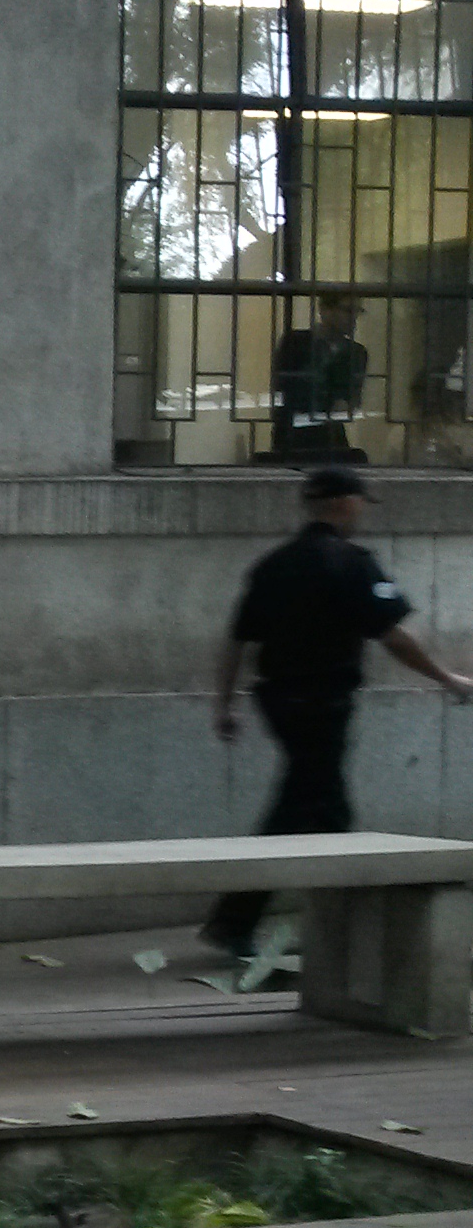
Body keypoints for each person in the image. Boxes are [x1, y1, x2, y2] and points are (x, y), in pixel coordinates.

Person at [201, 466, 473, 954]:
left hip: (279, 701)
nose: (362, 511)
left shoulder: (273, 565)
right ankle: (247, 922)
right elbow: (393, 635)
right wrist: (446, 677)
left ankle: (320, 929)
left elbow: (237, 640)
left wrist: (225, 705)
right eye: (360, 501)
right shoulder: (350, 563)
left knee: (318, 808)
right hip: (322, 703)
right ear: (344, 502)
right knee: (310, 811)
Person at [268, 293, 371, 463]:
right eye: (348, 310)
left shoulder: (356, 352)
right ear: (325, 310)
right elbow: (287, 389)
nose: (353, 318)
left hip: (331, 437)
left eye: (357, 312)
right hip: (292, 436)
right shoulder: (295, 342)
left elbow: (348, 400)